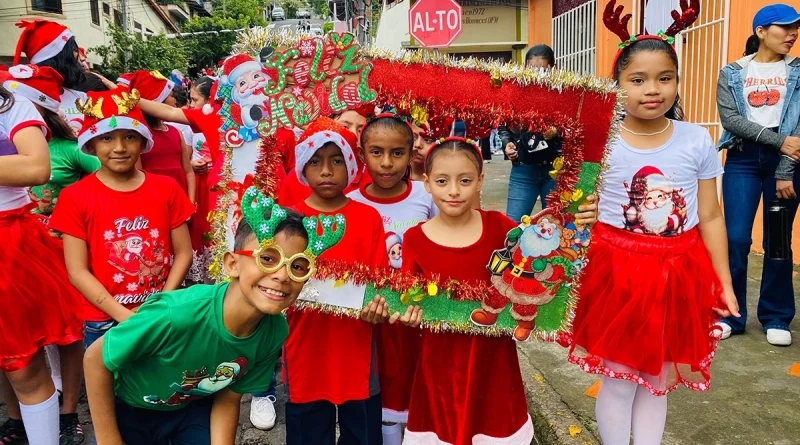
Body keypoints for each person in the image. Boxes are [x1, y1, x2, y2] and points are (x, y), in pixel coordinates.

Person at [568, 4, 739, 443]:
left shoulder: (696, 138)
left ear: (677, 82)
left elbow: (711, 215)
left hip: (677, 272)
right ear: (618, 84)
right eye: (638, 80)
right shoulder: (600, 136)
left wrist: (724, 281)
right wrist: (579, 211)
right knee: (621, 377)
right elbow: (574, 201)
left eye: (665, 78)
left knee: (658, 377)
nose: (653, 90)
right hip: (616, 273)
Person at [83, 186, 343, 445]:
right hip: (131, 408)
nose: (282, 275)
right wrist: (109, 440)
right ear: (232, 263)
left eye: (297, 266)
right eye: (267, 258)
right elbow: (96, 359)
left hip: (193, 410)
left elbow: (229, 398)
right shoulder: (178, 314)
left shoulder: (275, 331)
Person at [399, 138, 596, 443]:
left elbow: (545, 256)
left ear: (480, 181)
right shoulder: (414, 239)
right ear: (426, 183)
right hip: (438, 364)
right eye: (442, 181)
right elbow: (407, 297)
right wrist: (407, 313)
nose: (453, 190)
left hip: (493, 362)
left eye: (464, 180)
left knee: (494, 430)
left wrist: (580, 220)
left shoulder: (500, 228)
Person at [283, 117, 407, 444]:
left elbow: (379, 284)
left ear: (352, 166)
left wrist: (377, 307)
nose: (326, 170)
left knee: (361, 430)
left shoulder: (367, 218)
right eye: (316, 161)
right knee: (308, 428)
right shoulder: (289, 220)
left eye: (337, 161)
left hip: (357, 346)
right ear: (302, 167)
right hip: (304, 345)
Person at [49, 87, 194, 352]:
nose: (119, 147)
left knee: (158, 390)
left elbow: (184, 253)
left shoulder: (167, 189)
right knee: (109, 391)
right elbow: (77, 271)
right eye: (106, 138)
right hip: (103, 320)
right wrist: (124, 316)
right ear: (91, 145)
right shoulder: (75, 197)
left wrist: (160, 304)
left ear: (143, 140)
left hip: (160, 314)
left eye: (129, 136)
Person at [2, 64, 96, 445]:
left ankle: (57, 421)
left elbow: (38, 166)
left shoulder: (12, 106)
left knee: (25, 367)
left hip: (11, 245)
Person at [347, 115, 434, 445]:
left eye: (397, 153)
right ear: (361, 152)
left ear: (412, 153)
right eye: (376, 152)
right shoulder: (351, 203)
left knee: (414, 397)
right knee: (379, 399)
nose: (386, 163)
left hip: (415, 323)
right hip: (370, 327)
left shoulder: (427, 198)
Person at [716, 3, 800, 346]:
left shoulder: (798, 70)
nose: (792, 34)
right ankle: (730, 315)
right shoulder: (733, 72)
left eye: (796, 28)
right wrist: (780, 142)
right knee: (734, 239)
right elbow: (731, 121)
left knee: (777, 242)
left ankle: (776, 316)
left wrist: (784, 168)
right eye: (784, 28)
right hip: (742, 159)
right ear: (761, 32)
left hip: (788, 165)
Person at [499, 44, 562, 223]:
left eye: (542, 70)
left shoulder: (563, 93)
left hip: (555, 171)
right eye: (532, 70)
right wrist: (507, 144)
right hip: (523, 170)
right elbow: (503, 126)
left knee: (556, 227)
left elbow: (578, 127)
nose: (537, 75)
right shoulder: (516, 94)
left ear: (553, 68)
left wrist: (557, 131)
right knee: (512, 226)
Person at [278, 108, 373, 206]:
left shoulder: (373, 177)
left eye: (360, 130)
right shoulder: (296, 178)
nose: (353, 134)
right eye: (345, 126)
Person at [128, 70, 196, 205]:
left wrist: (190, 201)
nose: (175, 100)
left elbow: (188, 172)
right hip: (153, 202)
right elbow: (138, 176)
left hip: (181, 201)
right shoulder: (138, 136)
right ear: (157, 102)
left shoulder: (176, 132)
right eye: (171, 96)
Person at [14, 19, 88, 136]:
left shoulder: (82, 97)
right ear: (60, 58)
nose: (78, 55)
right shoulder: (30, 101)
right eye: (73, 50)